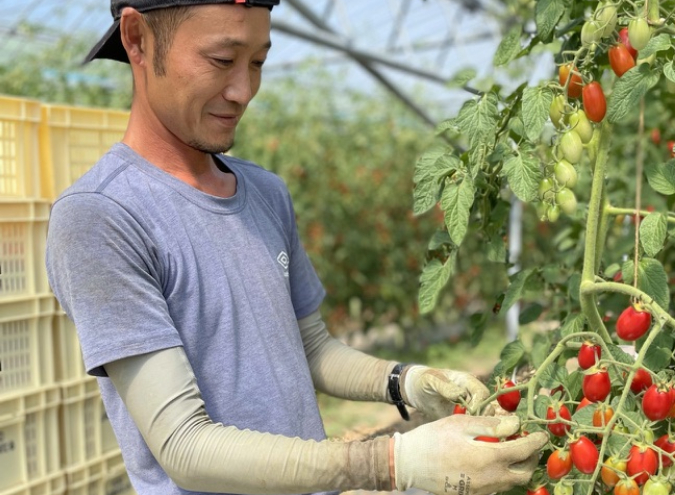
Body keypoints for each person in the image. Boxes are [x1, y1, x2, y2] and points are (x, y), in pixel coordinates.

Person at [45, 1, 548, 494]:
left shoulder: (265, 193)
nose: (244, 90)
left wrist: (407, 381)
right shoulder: (101, 215)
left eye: (258, 61)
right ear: (137, 38)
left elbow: (310, 348)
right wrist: (389, 462)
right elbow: (184, 447)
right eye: (222, 60)